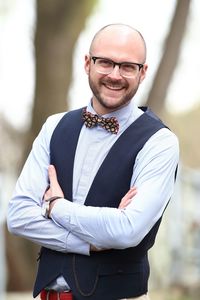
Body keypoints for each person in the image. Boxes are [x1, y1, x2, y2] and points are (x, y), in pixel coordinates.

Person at [7, 23, 179, 300]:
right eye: (106, 62)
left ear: (142, 72)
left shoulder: (159, 142)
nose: (115, 75)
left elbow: (127, 230)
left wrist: (56, 207)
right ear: (87, 63)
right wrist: (89, 243)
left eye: (127, 66)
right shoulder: (54, 126)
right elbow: (18, 217)